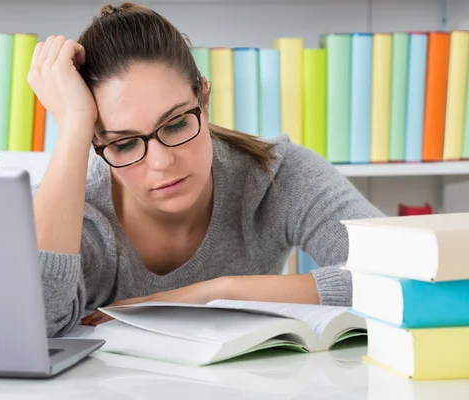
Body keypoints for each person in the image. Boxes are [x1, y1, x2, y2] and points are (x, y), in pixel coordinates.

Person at [28, 2, 384, 337]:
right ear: (95, 144)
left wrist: (214, 293)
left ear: (204, 99)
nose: (161, 162)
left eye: (177, 123)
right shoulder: (78, 213)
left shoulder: (277, 174)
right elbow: (33, 324)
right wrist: (75, 123)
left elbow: (407, 275)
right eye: (124, 144)